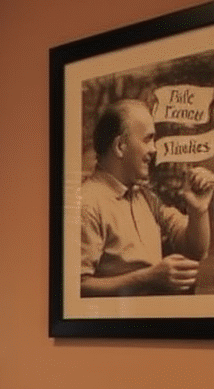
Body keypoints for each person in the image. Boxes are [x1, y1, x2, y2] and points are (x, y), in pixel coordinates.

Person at [80, 98, 214, 297]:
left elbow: (195, 250)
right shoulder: (88, 203)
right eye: (147, 139)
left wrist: (198, 209)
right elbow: (75, 288)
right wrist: (148, 277)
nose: (154, 149)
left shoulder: (145, 198)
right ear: (120, 146)